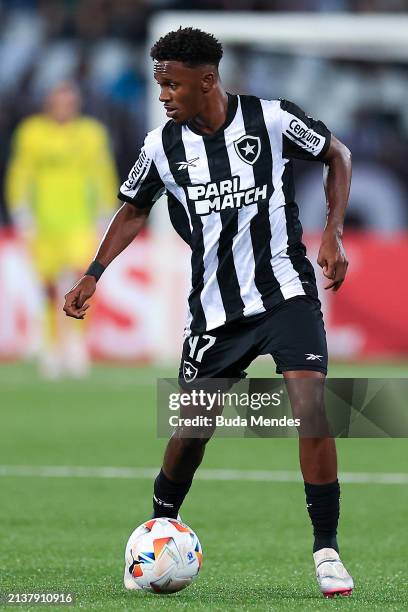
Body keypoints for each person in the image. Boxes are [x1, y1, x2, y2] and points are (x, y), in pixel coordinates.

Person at [63, 28, 353, 598]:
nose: (165, 94)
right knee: (192, 432)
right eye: (159, 85)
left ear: (208, 80)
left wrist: (333, 234)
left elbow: (336, 155)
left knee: (311, 406)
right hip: (215, 312)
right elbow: (132, 210)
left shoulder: (270, 119)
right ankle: (158, 524)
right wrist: (94, 272)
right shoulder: (160, 148)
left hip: (286, 292)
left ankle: (327, 550)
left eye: (172, 84)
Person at [6, 81, 118, 378]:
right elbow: (20, 171)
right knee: (47, 288)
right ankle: (52, 347)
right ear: (49, 103)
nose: (64, 107)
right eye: (59, 101)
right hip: (44, 224)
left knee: (81, 281)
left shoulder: (91, 134)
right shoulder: (32, 133)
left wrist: (107, 210)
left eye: (69, 102)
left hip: (79, 222)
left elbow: (102, 171)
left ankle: (77, 346)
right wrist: (20, 209)